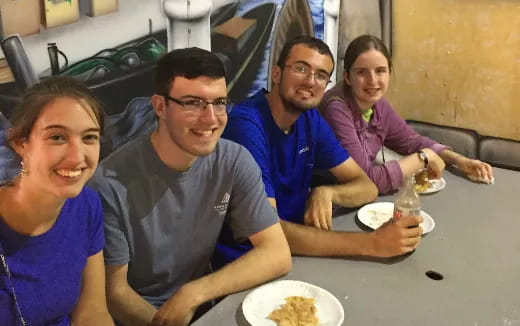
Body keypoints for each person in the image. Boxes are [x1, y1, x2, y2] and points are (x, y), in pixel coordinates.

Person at [88, 47, 291, 326]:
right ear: (160, 106)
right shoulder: (108, 184)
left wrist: (196, 292)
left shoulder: (233, 160)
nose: (211, 118)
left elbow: (277, 253)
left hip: (203, 308)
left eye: (219, 102)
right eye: (193, 103)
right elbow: (115, 294)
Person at [215, 35, 423, 265]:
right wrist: (372, 244)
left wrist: (327, 192)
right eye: (301, 68)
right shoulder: (246, 124)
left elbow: (367, 186)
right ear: (276, 73)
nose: (311, 81)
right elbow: (268, 228)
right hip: (247, 261)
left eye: (321, 75)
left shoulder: (310, 119)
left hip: (296, 253)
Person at [0, 77, 113, 326]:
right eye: (57, 137)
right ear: (21, 143)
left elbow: (92, 313)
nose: (76, 157)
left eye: (89, 137)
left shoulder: (86, 205)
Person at [319, 34, 494, 194]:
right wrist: (424, 157)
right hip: (325, 203)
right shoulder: (336, 109)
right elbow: (364, 181)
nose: (372, 81)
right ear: (347, 77)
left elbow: (411, 141)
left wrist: (459, 160)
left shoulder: (378, 105)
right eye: (361, 72)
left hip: (358, 200)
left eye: (380, 71)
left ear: (389, 73)